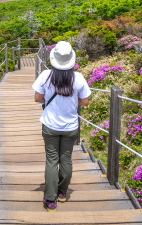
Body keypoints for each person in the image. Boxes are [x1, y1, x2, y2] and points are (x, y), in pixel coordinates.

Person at [32, 41, 91, 212]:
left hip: (50, 125)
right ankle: (63, 193)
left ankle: (51, 200)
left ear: (54, 59)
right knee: (65, 159)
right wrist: (72, 101)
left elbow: (38, 98)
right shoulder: (78, 78)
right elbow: (85, 102)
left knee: (51, 160)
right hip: (70, 126)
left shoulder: (45, 76)